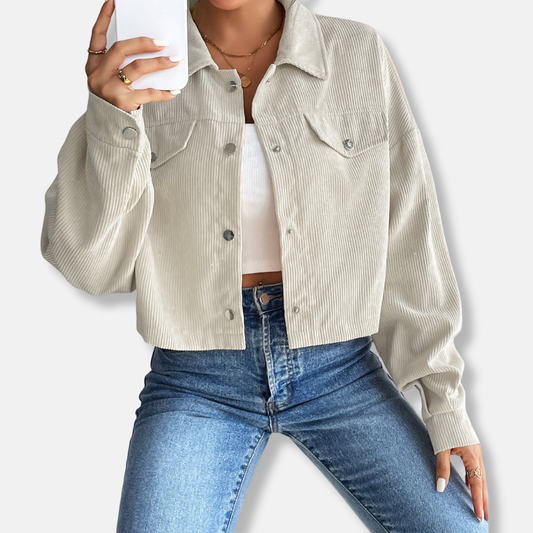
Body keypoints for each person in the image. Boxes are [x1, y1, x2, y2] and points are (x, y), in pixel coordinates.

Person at [40, 0, 490, 531]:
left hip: (340, 367)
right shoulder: (139, 66)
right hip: (196, 379)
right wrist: (111, 119)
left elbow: (409, 234)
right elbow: (88, 267)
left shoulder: (356, 53)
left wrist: (444, 404)